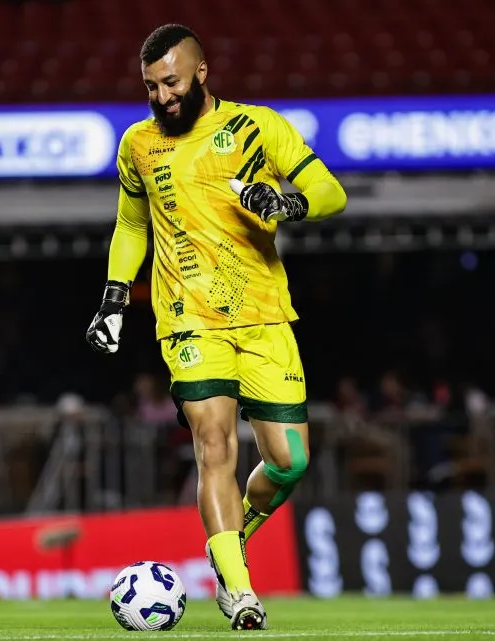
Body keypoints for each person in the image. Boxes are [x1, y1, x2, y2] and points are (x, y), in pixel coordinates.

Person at [85, 23, 347, 630]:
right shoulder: (137, 144)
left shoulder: (260, 127)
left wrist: (289, 204)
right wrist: (114, 298)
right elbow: (131, 226)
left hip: (265, 317)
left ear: (200, 72)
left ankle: (227, 540)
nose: (161, 98)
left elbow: (329, 191)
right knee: (214, 445)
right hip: (188, 319)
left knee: (290, 462)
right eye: (150, 87)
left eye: (170, 82)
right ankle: (239, 589)